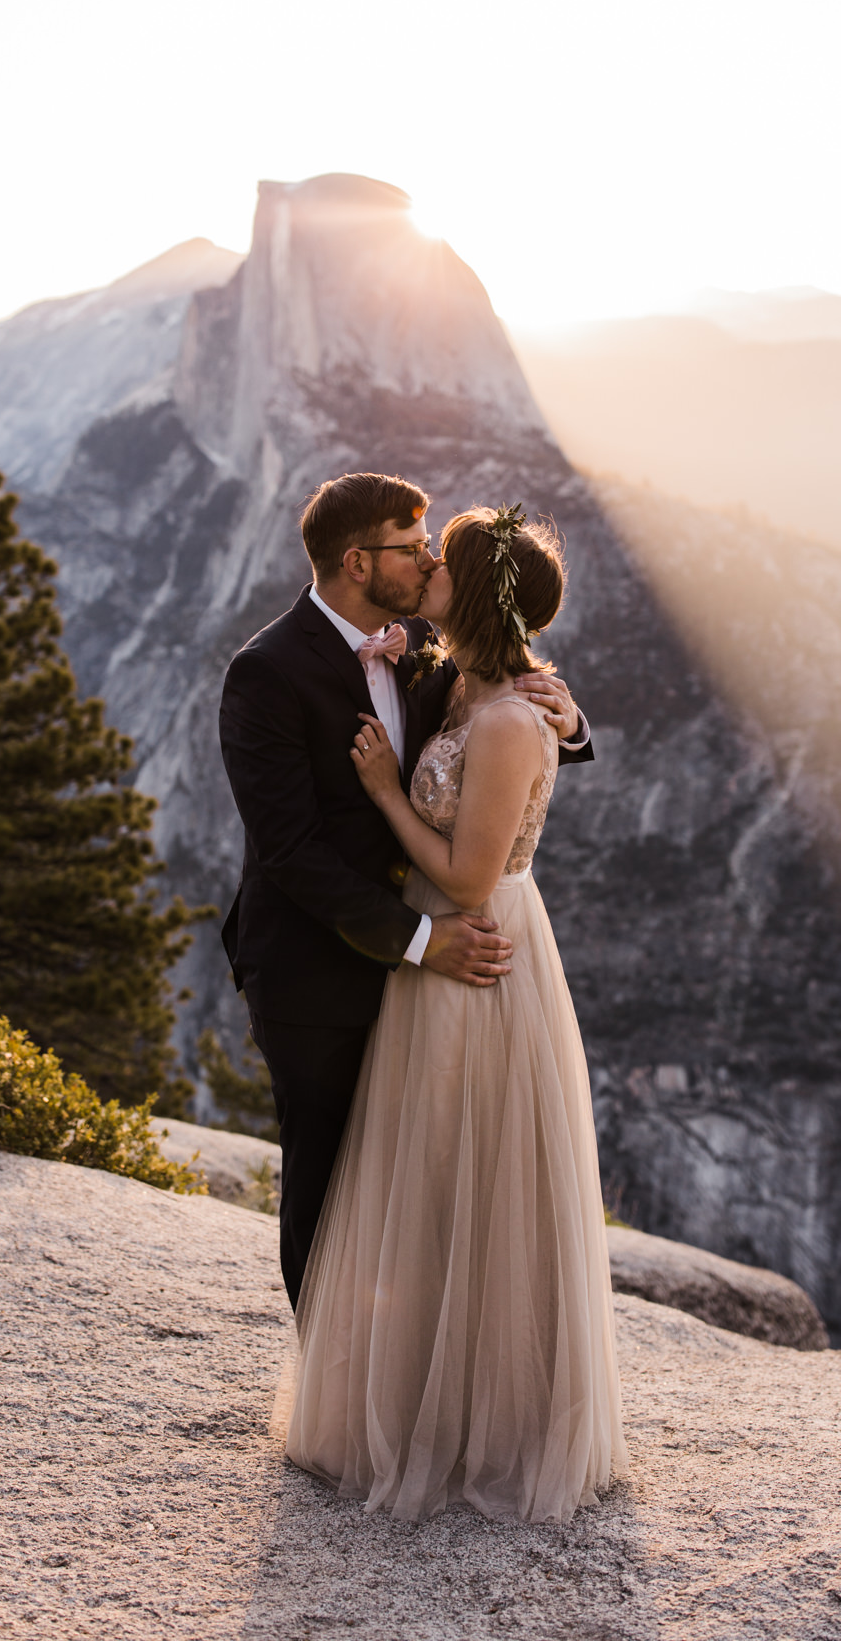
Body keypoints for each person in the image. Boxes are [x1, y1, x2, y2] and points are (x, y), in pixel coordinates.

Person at [284, 504, 627, 1523]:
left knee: (480, 1176)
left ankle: (488, 1424)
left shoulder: (514, 711)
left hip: (471, 952)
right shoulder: (470, 678)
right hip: (427, 952)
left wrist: (390, 791)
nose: (425, 565)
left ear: (471, 593)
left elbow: (471, 870)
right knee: (426, 1174)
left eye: (443, 560)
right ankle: (408, 1395)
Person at [218, 472, 593, 1312]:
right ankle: (334, 1382)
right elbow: (289, 851)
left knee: (422, 1177)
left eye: (432, 550)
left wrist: (568, 723)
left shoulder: (424, 642)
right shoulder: (266, 673)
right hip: (317, 966)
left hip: (432, 959)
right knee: (327, 1177)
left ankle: (419, 1380)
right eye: (411, 547)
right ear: (357, 562)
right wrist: (421, 940)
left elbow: (498, 720)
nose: (427, 561)